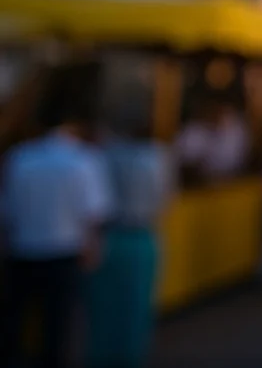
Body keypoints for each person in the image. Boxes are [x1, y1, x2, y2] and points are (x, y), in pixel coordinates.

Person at [1, 78, 113, 368]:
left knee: (15, 326)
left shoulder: (19, 157)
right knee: (57, 331)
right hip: (63, 254)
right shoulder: (84, 160)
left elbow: (8, 211)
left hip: (22, 251)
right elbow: (94, 214)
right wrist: (93, 249)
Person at [86, 100, 173, 368]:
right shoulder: (158, 156)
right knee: (135, 311)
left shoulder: (103, 154)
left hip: (108, 237)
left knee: (102, 310)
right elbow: (165, 200)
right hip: (141, 236)